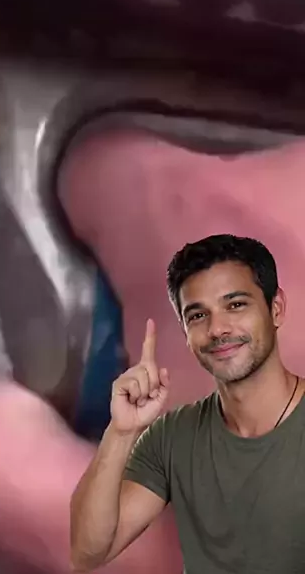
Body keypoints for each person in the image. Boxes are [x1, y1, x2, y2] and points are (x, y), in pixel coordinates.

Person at [70, 233, 305, 574]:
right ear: (184, 332)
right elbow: (87, 552)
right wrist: (121, 431)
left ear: (276, 308)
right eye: (197, 315)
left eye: (236, 305)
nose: (217, 329)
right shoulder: (172, 436)